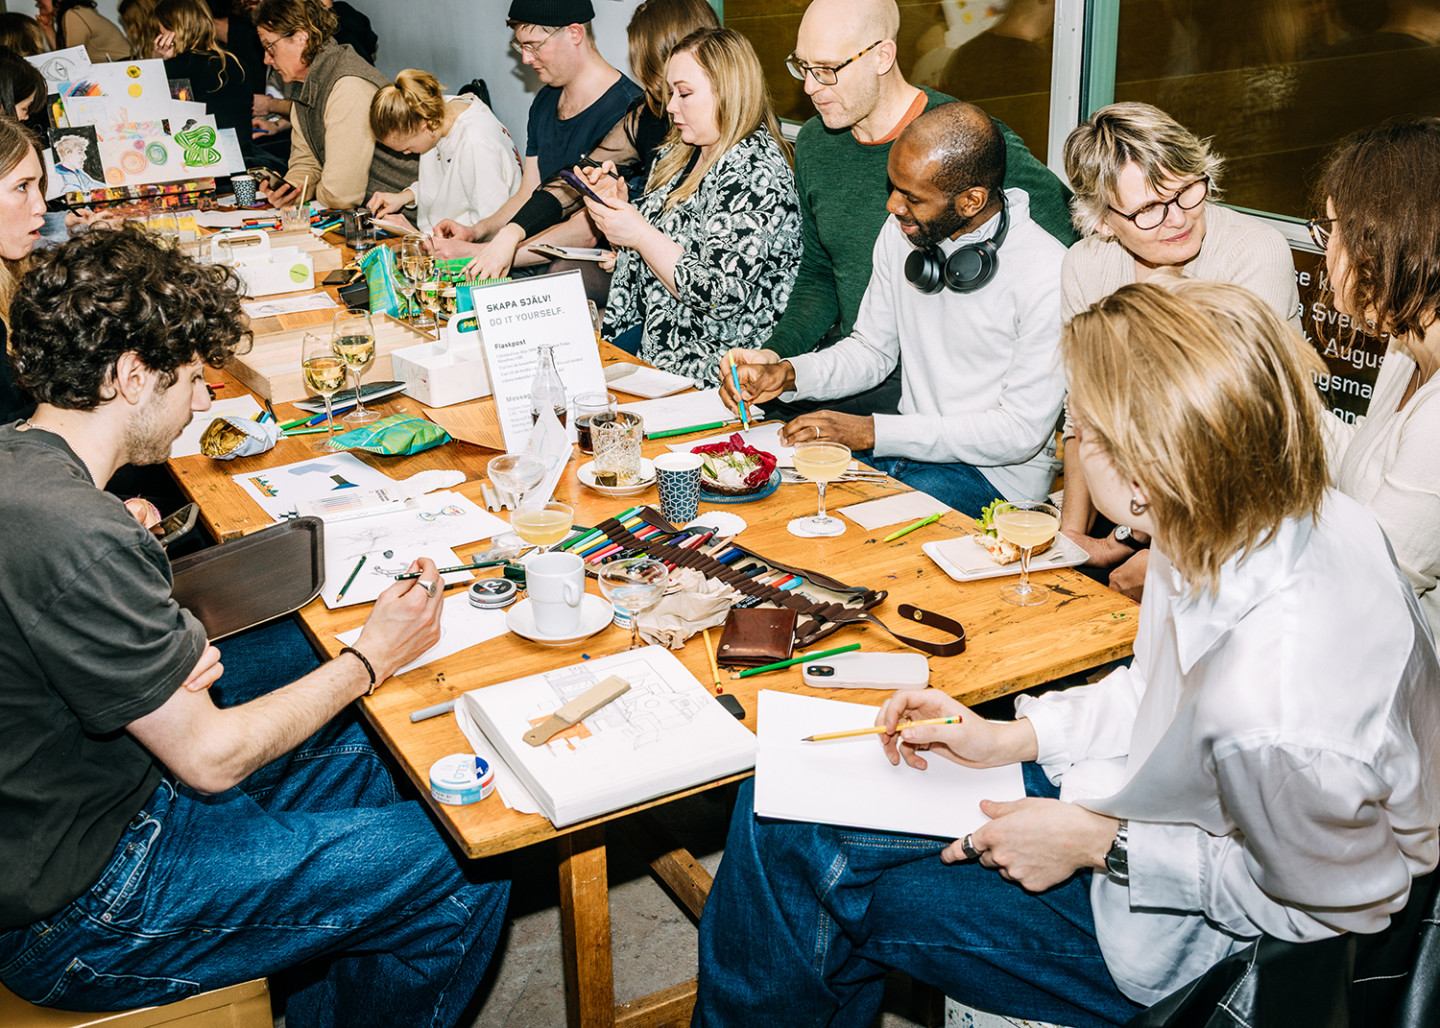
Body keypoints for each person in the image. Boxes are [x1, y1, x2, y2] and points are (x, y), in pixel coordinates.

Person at [693, 278, 1440, 1028]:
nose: (1067, 443)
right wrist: (1014, 737)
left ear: (1143, 475)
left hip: (1197, 959)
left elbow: (1353, 903)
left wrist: (1101, 847)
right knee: (790, 792)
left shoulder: (1274, 704)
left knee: (805, 861)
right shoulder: (1250, 511)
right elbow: (1154, 691)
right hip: (1141, 819)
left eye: (1075, 429)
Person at [0, 225, 509, 1026]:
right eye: (192, 380)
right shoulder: (80, 533)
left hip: (89, 810)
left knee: (397, 757)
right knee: (471, 853)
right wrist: (370, 657)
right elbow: (211, 758)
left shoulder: (25, 463)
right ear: (133, 377)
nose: (202, 401)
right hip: (84, 910)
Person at [723, 0, 1075, 421]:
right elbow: (820, 274)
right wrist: (775, 354)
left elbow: (1074, 243)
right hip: (862, 361)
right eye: (803, 67)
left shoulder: (962, 142)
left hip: (947, 391)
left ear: (882, 57)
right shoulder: (817, 143)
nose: (810, 87)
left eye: (827, 69)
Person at [723, 102, 1065, 516]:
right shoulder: (904, 232)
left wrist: (872, 431)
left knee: (842, 532)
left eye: (912, 197)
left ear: (971, 200)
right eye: (894, 187)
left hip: (995, 479)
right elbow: (872, 351)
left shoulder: (1046, 273)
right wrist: (790, 374)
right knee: (774, 502)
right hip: (907, 454)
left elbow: (1019, 432)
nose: (893, 207)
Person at [1056, 102, 1301, 599]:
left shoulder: (1254, 253)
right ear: (1102, 221)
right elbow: (1083, 416)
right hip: (1137, 508)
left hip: (1244, 521)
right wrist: (1072, 544)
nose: (1178, 219)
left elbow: (1239, 437)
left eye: (1188, 190)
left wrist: (1160, 555)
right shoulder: (1086, 266)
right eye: (1148, 209)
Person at [581, 27, 799, 385]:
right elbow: (670, 251)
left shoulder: (754, 169)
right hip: (663, 355)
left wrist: (638, 233)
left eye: (684, 93)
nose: (670, 106)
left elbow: (720, 293)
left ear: (727, 93)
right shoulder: (682, 150)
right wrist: (620, 214)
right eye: (671, 93)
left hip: (720, 373)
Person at [454, 0, 720, 282]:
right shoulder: (644, 114)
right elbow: (573, 181)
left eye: (682, 91)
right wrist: (505, 232)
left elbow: (712, 281)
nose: (665, 102)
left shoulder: (738, 151)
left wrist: (481, 249)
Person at [1316, 117, 1440, 642]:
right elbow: (1361, 471)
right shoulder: (1405, 346)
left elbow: (1375, 576)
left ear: (1384, 241)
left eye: (1332, 229)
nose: (1326, 250)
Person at [428, 0, 642, 261]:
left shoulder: (627, 111)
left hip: (584, 272)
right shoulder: (545, 99)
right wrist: (476, 232)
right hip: (529, 255)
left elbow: (585, 231)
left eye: (533, 46)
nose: (526, 58)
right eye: (520, 46)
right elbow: (529, 193)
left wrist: (482, 252)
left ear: (574, 33)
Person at [252, 0, 417, 210]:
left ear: (301, 38)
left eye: (270, 47)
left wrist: (312, 189)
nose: (266, 59)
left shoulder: (348, 86)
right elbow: (306, 161)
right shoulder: (307, 82)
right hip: (370, 214)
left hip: (404, 219)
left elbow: (340, 194)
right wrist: (291, 190)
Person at [365, 69, 522, 235]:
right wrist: (404, 197)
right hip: (441, 239)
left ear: (425, 126)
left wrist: (413, 236)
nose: (406, 154)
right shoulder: (439, 111)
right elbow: (451, 183)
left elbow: (487, 234)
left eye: (407, 148)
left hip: (472, 250)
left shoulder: (476, 143)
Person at [153, 0, 252, 162]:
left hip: (202, 163)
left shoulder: (174, 69)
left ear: (171, 31)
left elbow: (161, 122)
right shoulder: (235, 62)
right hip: (241, 158)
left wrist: (156, 63)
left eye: (159, 30)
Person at [40, 0, 132, 62]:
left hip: (121, 68)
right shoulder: (79, 11)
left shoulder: (73, 14)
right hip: (122, 67)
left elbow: (70, 61)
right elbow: (66, 59)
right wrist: (48, 29)